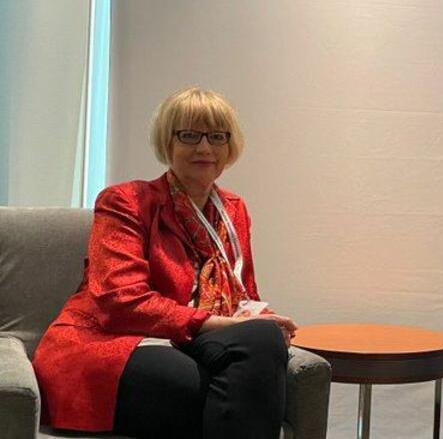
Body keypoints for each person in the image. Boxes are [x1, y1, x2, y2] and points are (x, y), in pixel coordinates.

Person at [33, 87, 296, 439]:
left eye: (217, 136)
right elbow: (120, 302)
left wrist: (266, 321)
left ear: (230, 145)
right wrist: (219, 324)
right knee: (210, 388)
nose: (205, 148)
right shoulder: (125, 201)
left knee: (263, 338)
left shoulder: (234, 209)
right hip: (114, 340)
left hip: (190, 339)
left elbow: (242, 293)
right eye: (189, 135)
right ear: (167, 142)